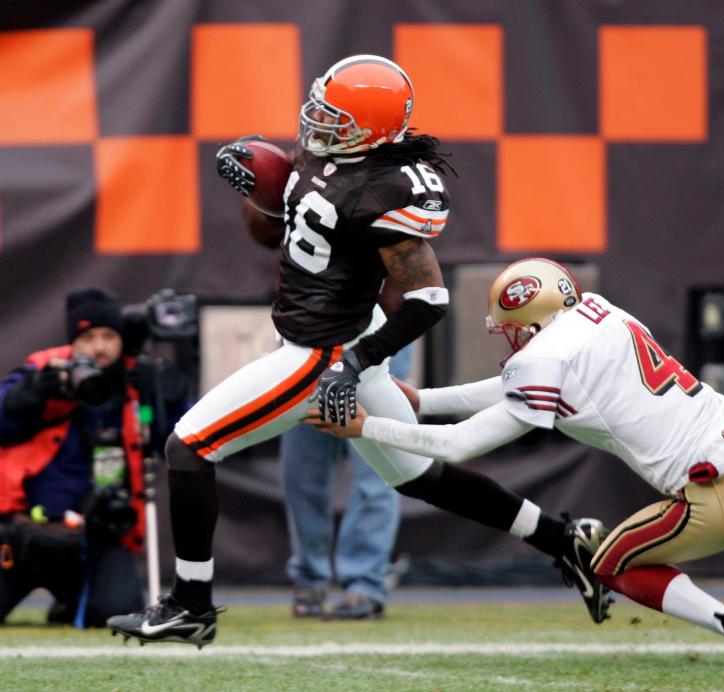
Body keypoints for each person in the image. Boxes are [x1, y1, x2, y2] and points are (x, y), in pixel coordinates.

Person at [107, 54, 610, 648]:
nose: (317, 121)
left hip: (322, 350)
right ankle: (565, 541)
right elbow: (301, 223)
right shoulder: (331, 157)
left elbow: (428, 298)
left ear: (370, 130)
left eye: (334, 115)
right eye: (319, 106)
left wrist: (355, 363)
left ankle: (189, 604)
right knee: (421, 476)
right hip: (330, 333)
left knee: (188, 447)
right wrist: (269, 194)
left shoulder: (385, 188)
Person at [312, 257, 724, 667]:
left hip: (718, 489)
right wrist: (425, 399)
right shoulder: (598, 312)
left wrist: (372, 425)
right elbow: (521, 387)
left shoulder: (543, 359)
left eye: (510, 328)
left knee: (606, 561)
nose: (508, 340)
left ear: (529, 322)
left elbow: (458, 447)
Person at [0, 287, 187, 627]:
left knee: (116, 614)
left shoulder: (136, 379)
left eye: (108, 336)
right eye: (87, 338)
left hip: (96, 534)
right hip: (22, 531)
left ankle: (69, 602)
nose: (99, 348)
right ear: (73, 341)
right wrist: (28, 396)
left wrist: (169, 396)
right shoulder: (46, 369)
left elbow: (181, 439)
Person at [282, 343, 411, 620]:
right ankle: (310, 578)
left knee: (378, 471)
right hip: (308, 339)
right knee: (301, 472)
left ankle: (365, 583)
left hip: (377, 339)